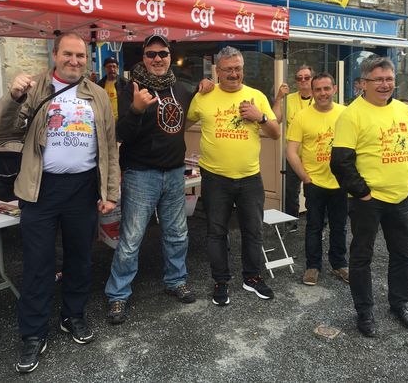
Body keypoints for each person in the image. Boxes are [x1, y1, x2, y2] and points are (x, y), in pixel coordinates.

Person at [0, 32, 120, 373]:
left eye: (81, 56)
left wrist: (110, 193)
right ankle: (33, 334)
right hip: (40, 190)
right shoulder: (35, 89)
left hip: (83, 189)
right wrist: (12, 95)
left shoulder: (97, 96)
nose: (75, 61)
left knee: (80, 258)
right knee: (38, 265)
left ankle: (73, 316)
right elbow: (1, 126)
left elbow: (108, 145)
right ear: (55, 54)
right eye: (69, 54)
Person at [105, 35, 214, 324]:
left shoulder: (182, 87)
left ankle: (176, 280)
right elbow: (121, 134)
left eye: (162, 53)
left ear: (169, 55)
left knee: (177, 233)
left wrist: (206, 86)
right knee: (131, 239)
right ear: (143, 57)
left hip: (175, 172)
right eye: (151, 54)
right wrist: (137, 109)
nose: (157, 59)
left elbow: (200, 99)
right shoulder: (130, 88)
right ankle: (118, 295)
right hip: (141, 175)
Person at [331, 56, 408, 338]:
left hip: (399, 197)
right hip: (369, 202)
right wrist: (363, 192)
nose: (385, 85)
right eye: (378, 80)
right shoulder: (351, 114)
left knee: (401, 255)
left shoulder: (403, 110)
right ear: (363, 83)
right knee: (361, 257)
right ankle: (365, 311)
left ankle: (399, 304)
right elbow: (340, 162)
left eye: (389, 79)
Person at [187, 46, 280, 306]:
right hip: (215, 177)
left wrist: (259, 117)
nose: (233, 73)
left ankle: (252, 278)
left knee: (253, 231)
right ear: (217, 71)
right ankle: (221, 281)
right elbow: (182, 123)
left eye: (237, 68)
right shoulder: (204, 96)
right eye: (227, 69)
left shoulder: (256, 96)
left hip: (250, 177)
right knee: (216, 232)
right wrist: (198, 88)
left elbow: (275, 133)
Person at [285, 73, 348, 286]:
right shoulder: (302, 117)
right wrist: (304, 176)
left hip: (340, 182)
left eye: (326, 88)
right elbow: (291, 151)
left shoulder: (346, 114)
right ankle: (313, 267)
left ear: (334, 89)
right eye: (318, 89)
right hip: (315, 183)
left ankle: (339, 264)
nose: (323, 93)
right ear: (312, 92)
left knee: (339, 226)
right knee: (314, 226)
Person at [272, 65, 314, 227]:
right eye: (299, 78)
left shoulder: (319, 99)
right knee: (291, 191)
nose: (303, 80)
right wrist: (279, 98)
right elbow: (276, 120)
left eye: (306, 77)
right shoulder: (289, 99)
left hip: (315, 155)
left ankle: (317, 224)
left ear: (312, 79)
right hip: (293, 155)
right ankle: (291, 223)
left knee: (315, 191)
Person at [97, 56, 129, 121]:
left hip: (121, 121)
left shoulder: (125, 83)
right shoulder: (100, 85)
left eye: (114, 66)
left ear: (117, 68)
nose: (112, 69)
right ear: (104, 68)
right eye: (109, 67)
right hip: (104, 121)